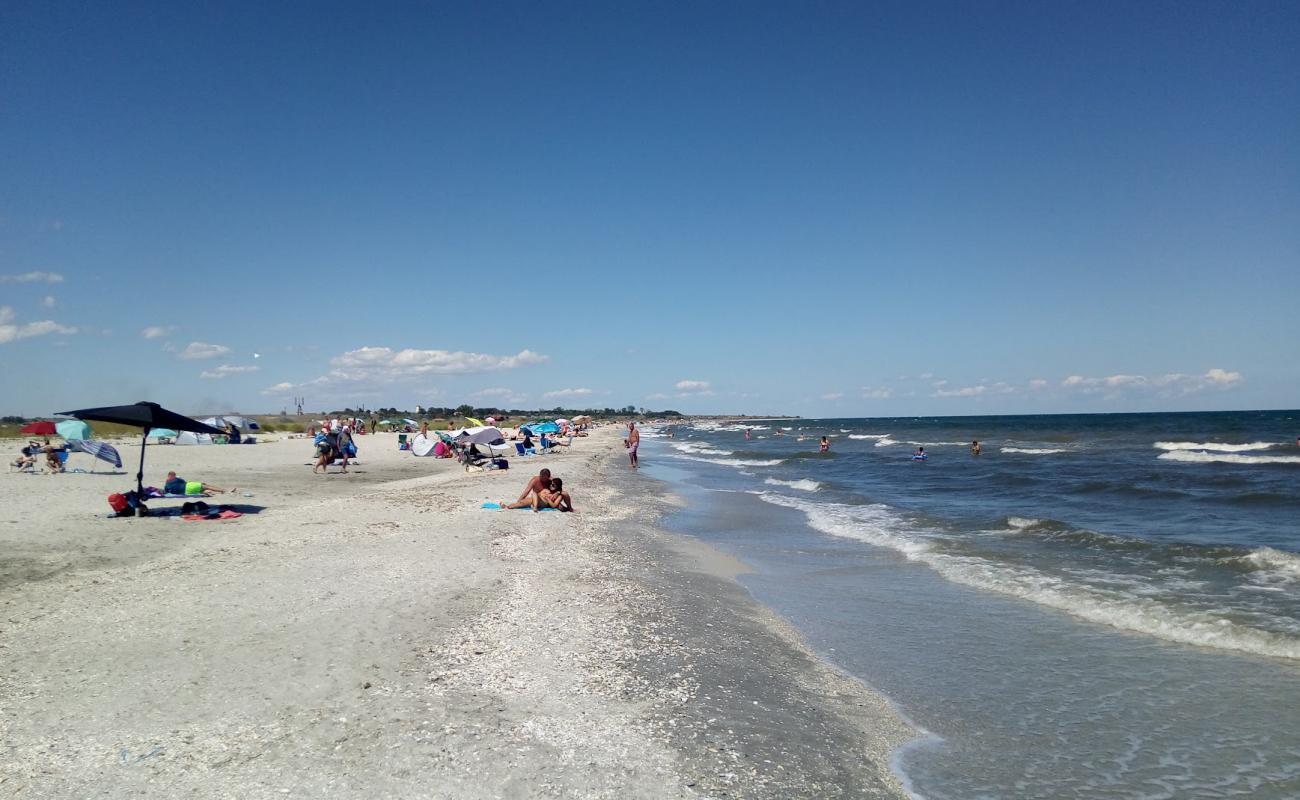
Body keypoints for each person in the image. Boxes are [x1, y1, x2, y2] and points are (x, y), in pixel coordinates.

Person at [164, 470, 230, 496]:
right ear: (172, 475)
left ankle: (219, 493)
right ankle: (224, 490)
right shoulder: (176, 479)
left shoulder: (167, 485)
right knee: (205, 486)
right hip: (188, 486)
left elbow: (167, 492)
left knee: (203, 491)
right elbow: (184, 482)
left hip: (186, 492)